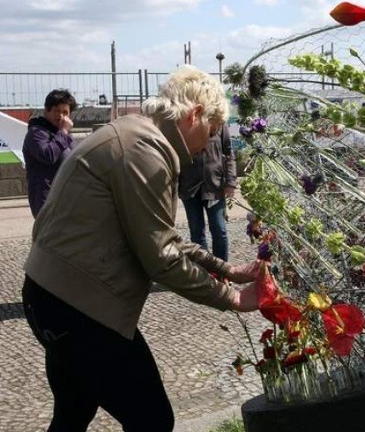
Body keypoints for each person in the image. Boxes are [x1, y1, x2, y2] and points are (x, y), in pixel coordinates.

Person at [21, 65, 260, 432]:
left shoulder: (139, 136)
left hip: (52, 296)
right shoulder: (145, 151)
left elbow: (162, 235)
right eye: (210, 134)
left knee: (74, 410)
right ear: (195, 115)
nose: (206, 146)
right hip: (78, 307)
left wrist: (228, 270)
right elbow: (161, 258)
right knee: (152, 419)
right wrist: (234, 298)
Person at [179, 122, 236, 261]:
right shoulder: (185, 120)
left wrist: (230, 182)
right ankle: (205, 272)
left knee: (219, 230)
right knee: (196, 232)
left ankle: (223, 272)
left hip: (214, 186)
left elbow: (228, 153)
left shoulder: (219, 122)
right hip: (189, 187)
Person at [22, 88, 77, 217]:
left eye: (65, 112)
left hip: (67, 200)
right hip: (47, 202)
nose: (61, 116)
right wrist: (63, 132)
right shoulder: (36, 133)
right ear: (47, 111)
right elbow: (48, 155)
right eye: (56, 111)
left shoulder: (64, 135)